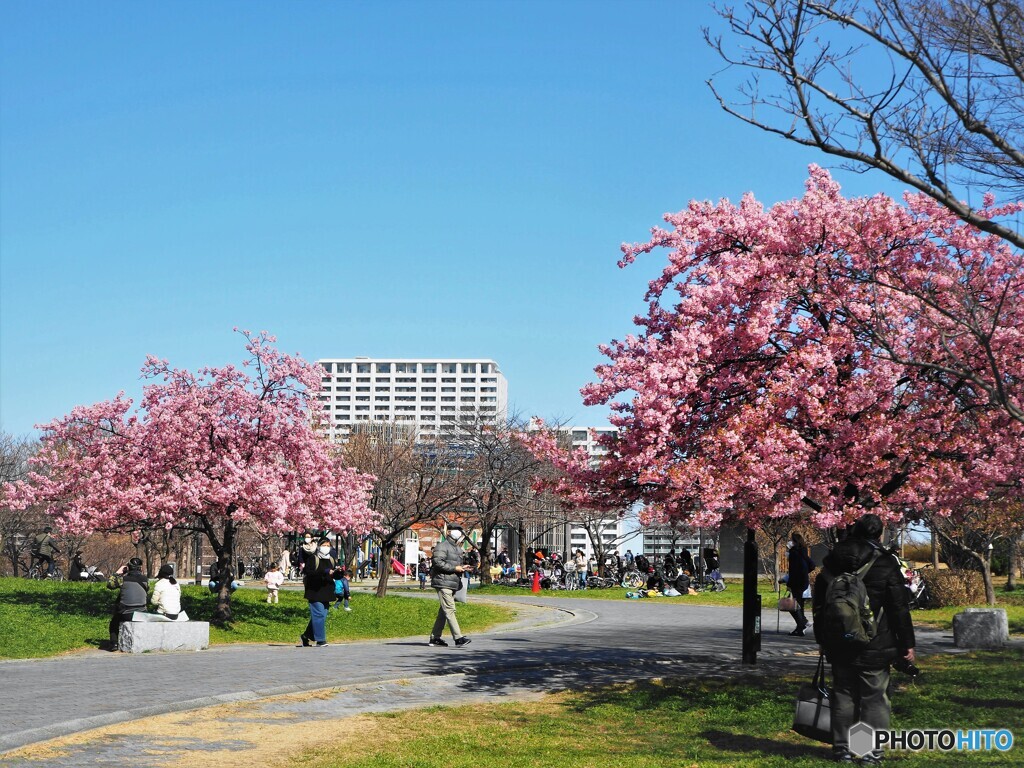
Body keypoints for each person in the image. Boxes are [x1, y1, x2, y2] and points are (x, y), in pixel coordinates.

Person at [813, 514, 916, 765]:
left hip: (839, 641)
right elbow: (899, 608)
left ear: (855, 530)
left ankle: (842, 750)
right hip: (875, 642)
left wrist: (822, 639)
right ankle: (871, 753)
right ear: (879, 534)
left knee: (844, 694)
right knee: (875, 698)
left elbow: (819, 606)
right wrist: (907, 644)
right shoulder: (886, 563)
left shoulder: (831, 561)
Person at [428, 523, 473, 648]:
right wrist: (455, 568)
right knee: (450, 609)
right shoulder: (441, 546)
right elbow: (437, 562)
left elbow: (454, 565)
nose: (458, 532)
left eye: (459, 530)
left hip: (452, 582)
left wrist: (462, 568)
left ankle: (435, 638)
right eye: (455, 530)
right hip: (443, 582)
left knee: (444, 611)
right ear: (448, 532)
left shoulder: (457, 548)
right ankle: (458, 638)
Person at [300, 536, 341, 647]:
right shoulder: (313, 559)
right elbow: (309, 573)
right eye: (324, 545)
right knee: (318, 615)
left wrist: (339, 572)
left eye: (328, 546)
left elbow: (334, 575)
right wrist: (325, 571)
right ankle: (320, 640)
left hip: (327, 592)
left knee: (321, 616)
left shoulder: (331, 559)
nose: (326, 548)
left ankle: (306, 636)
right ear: (319, 546)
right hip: (314, 591)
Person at [106, 557, 148, 650]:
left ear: (128, 567)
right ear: (140, 568)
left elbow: (110, 584)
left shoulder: (123, 579)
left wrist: (118, 572)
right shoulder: (145, 579)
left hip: (127, 613)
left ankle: (114, 643)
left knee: (114, 622)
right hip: (142, 612)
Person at [786, 532, 816, 636]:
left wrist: (788, 582)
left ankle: (802, 623)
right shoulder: (803, 552)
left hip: (796, 582)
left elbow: (793, 570)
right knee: (799, 605)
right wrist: (804, 574)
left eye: (791, 540)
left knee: (794, 606)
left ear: (794, 542)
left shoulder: (794, 553)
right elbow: (812, 565)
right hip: (803, 582)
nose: (790, 542)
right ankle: (801, 626)